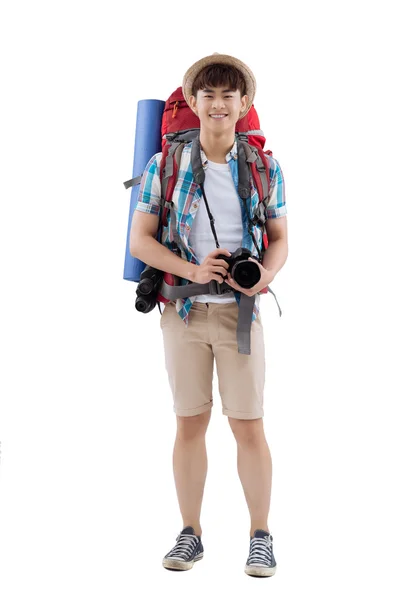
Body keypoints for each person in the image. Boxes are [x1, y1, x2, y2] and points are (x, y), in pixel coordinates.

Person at [129, 53, 288, 577]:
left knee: (249, 427)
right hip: (184, 312)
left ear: (245, 104)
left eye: (229, 95)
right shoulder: (165, 165)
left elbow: (282, 240)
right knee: (189, 423)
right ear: (193, 102)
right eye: (209, 95)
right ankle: (190, 533)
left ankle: (260, 535)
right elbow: (141, 241)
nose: (218, 104)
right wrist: (193, 271)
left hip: (241, 314)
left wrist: (264, 274)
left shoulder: (265, 168)